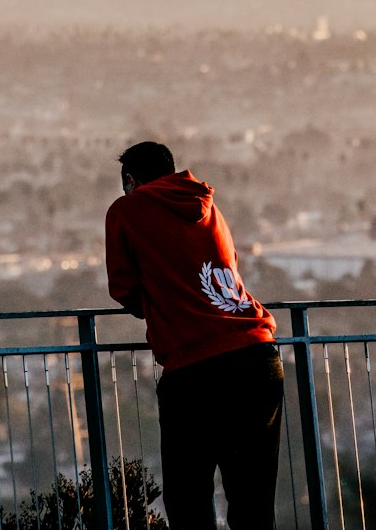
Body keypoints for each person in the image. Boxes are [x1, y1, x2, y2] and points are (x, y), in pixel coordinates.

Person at [105, 140, 284, 530]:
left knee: (188, 498)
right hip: (258, 355)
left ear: (130, 180)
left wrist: (164, 306)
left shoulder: (127, 209)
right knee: (252, 499)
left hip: (196, 368)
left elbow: (122, 287)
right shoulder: (210, 208)